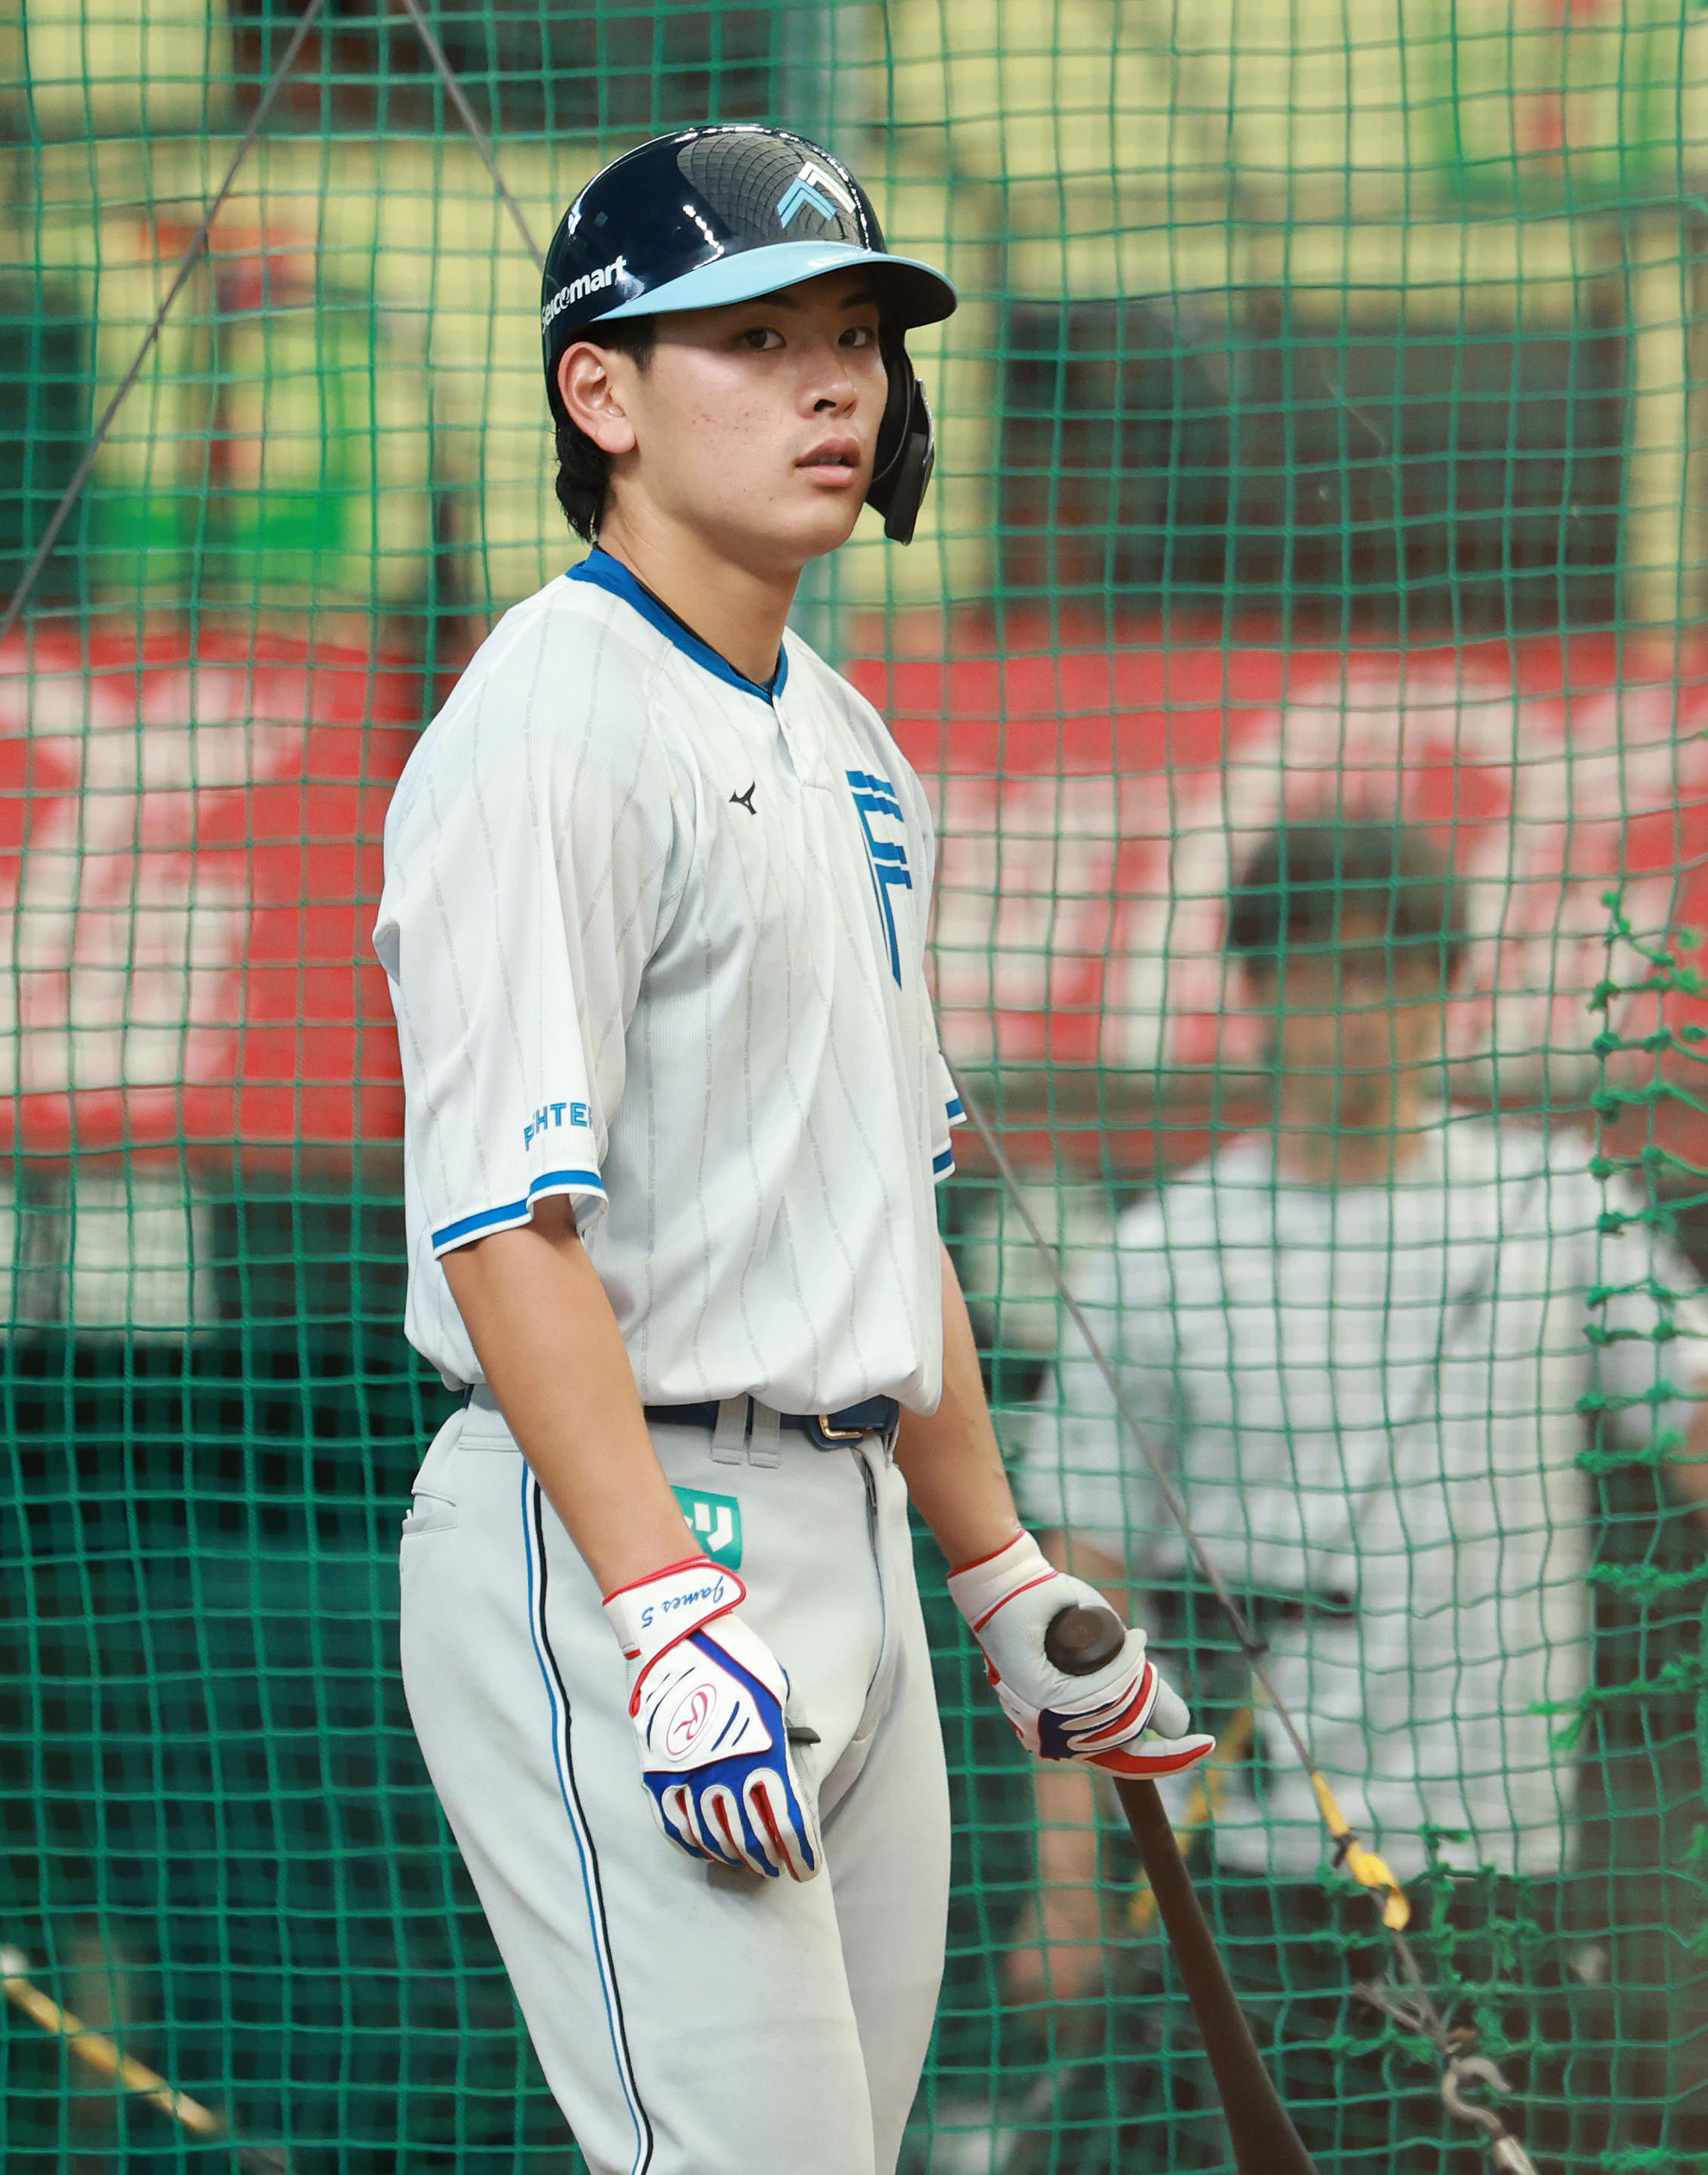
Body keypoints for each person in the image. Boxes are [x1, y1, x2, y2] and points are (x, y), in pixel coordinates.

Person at [371, 124, 1212, 2175]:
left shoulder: (845, 738)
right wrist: (663, 1606)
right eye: (752, 337)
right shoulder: (548, 720)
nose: (838, 385)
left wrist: (1001, 1573)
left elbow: (881, 1210)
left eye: (855, 337)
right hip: (626, 1537)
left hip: (843, 1537)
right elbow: (505, 1232)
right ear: (605, 392)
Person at [1008, 817, 1708, 2171]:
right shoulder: (1161, 1251)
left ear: (1446, 987)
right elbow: (1074, 1596)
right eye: (1322, 970)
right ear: (1255, 987)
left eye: (1396, 969)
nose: (1360, 1008)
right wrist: (1062, 1886)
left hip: (1498, 1858)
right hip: (1243, 1868)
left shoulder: (1556, 1203)